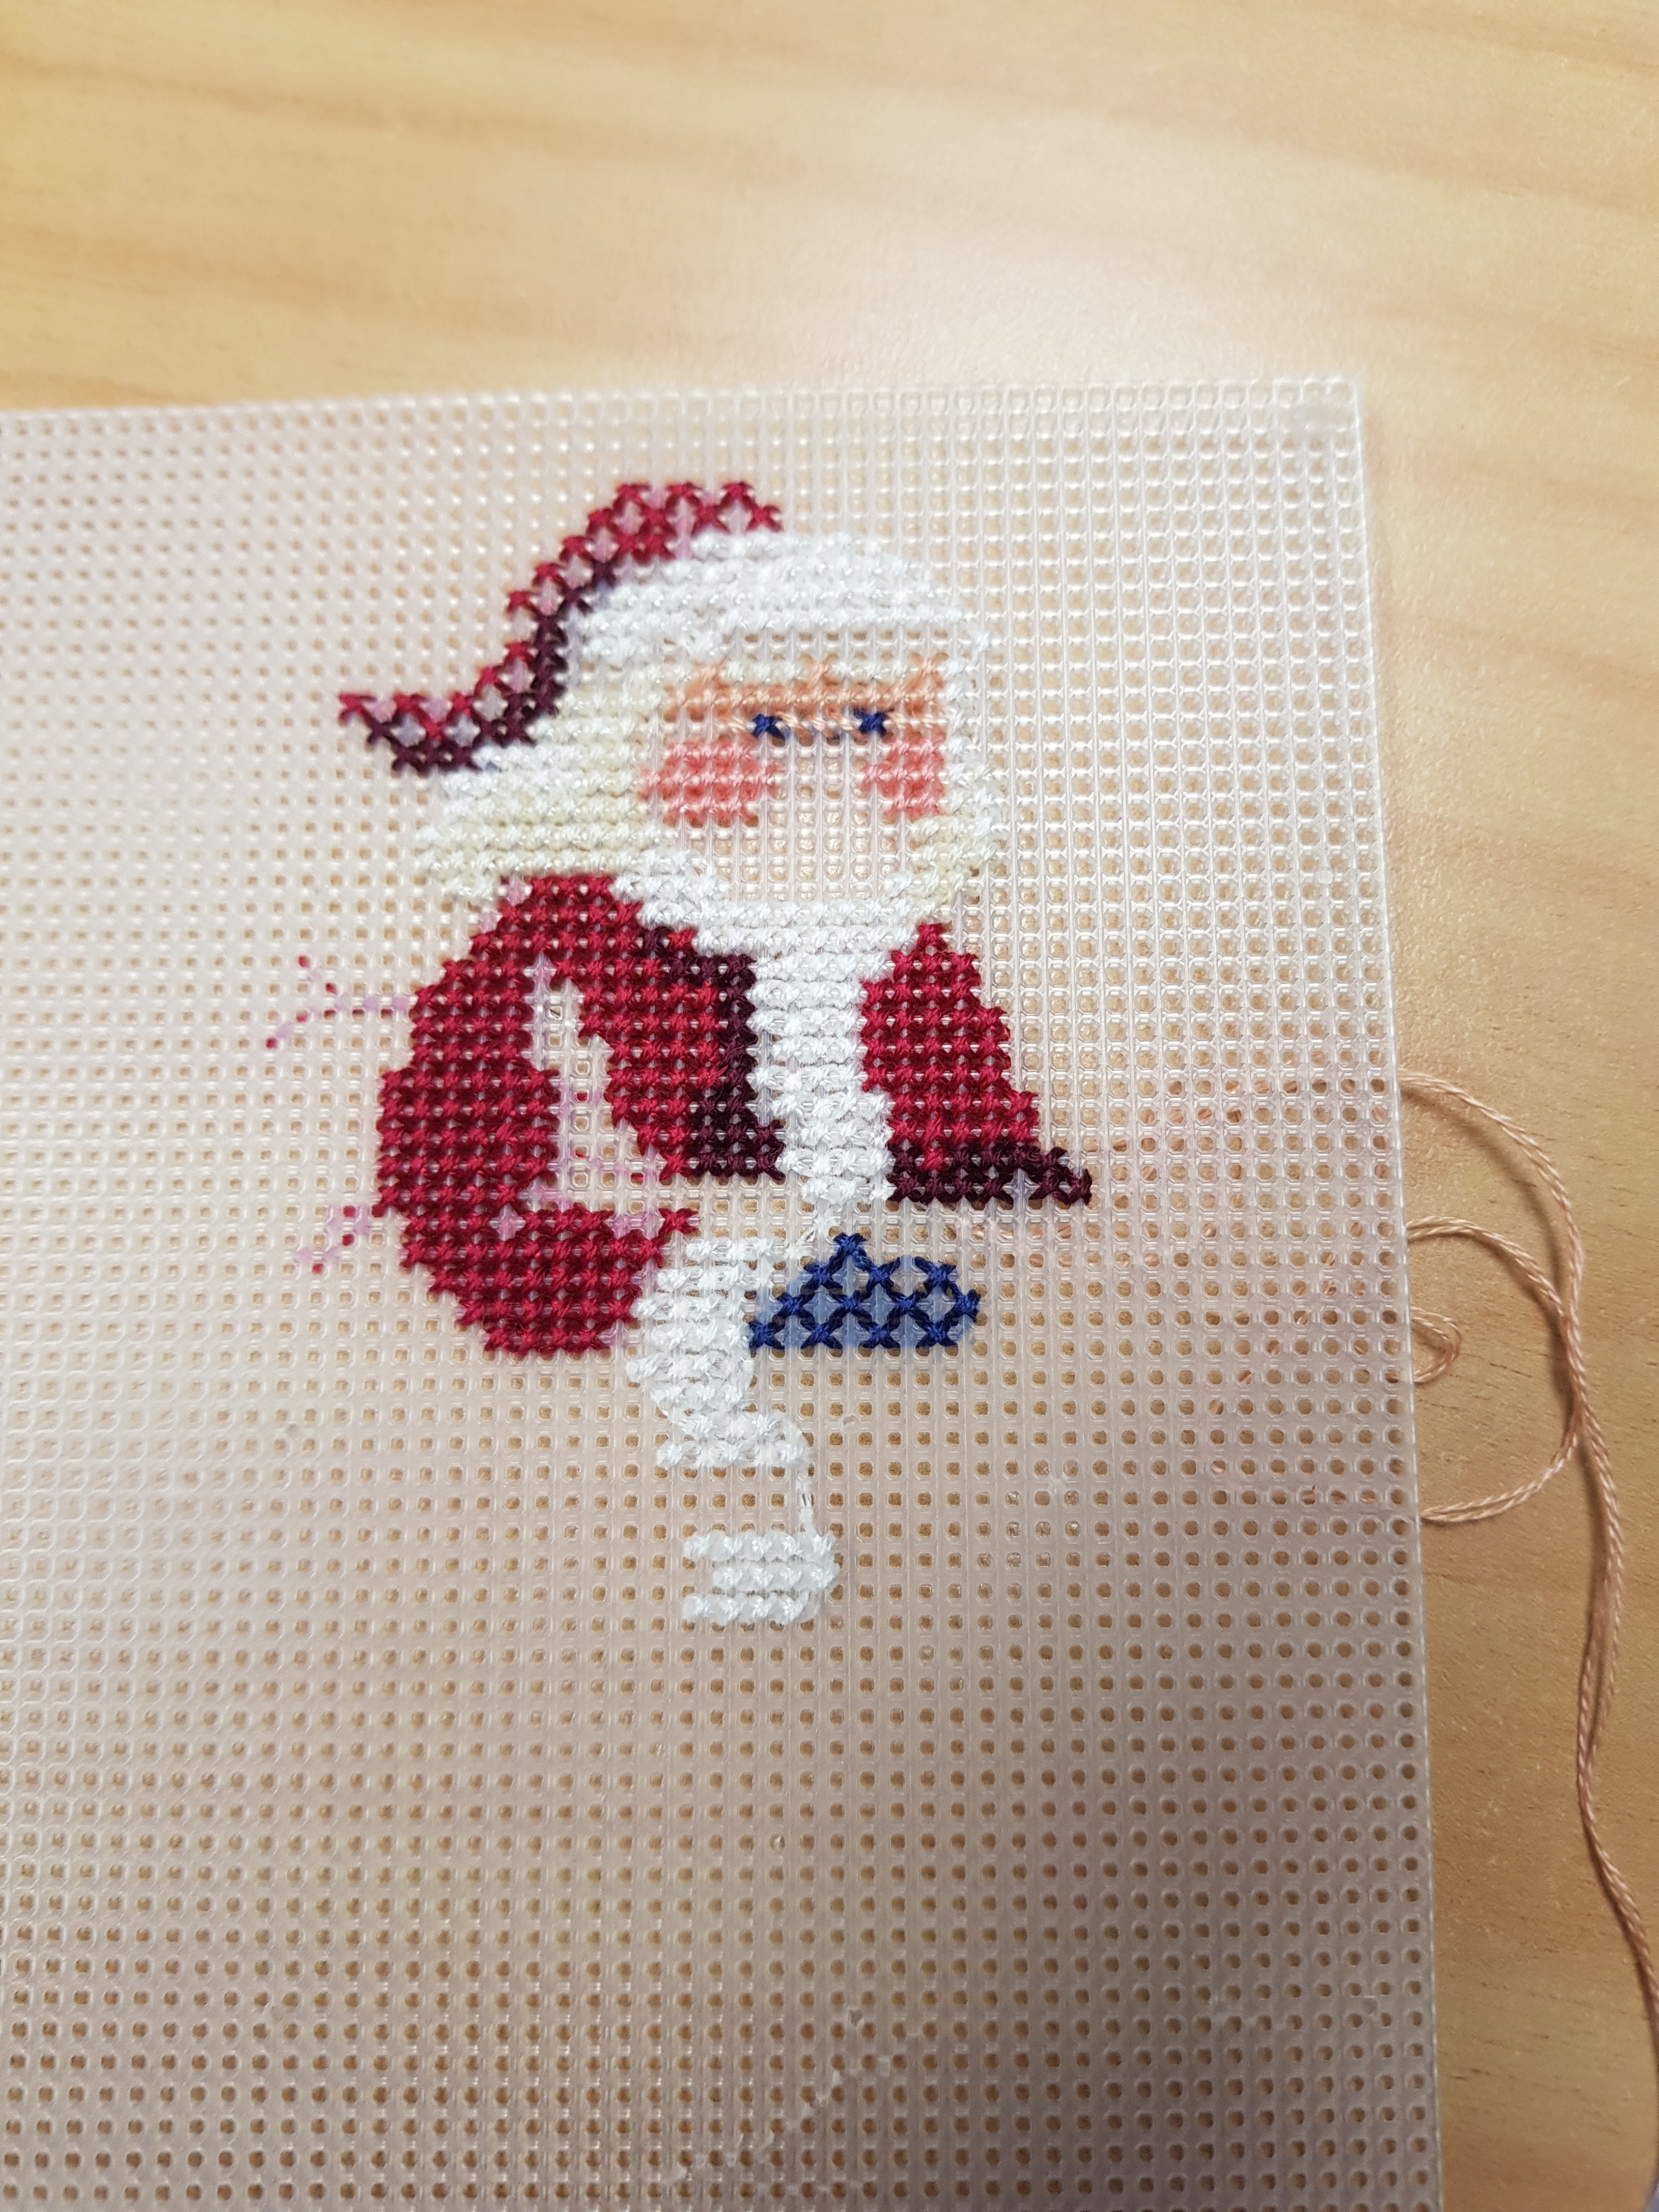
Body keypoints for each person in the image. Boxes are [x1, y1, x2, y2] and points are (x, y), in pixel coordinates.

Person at [346, 481, 1089, 1626]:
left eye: (878, 728)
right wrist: (678, 1264)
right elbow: (461, 1174)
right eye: (764, 730)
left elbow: (971, 1129)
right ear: (635, 747)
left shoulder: (905, 960)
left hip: (872, 1328)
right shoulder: (569, 948)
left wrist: (990, 1192)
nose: (826, 769)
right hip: (635, 1337)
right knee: (714, 1479)